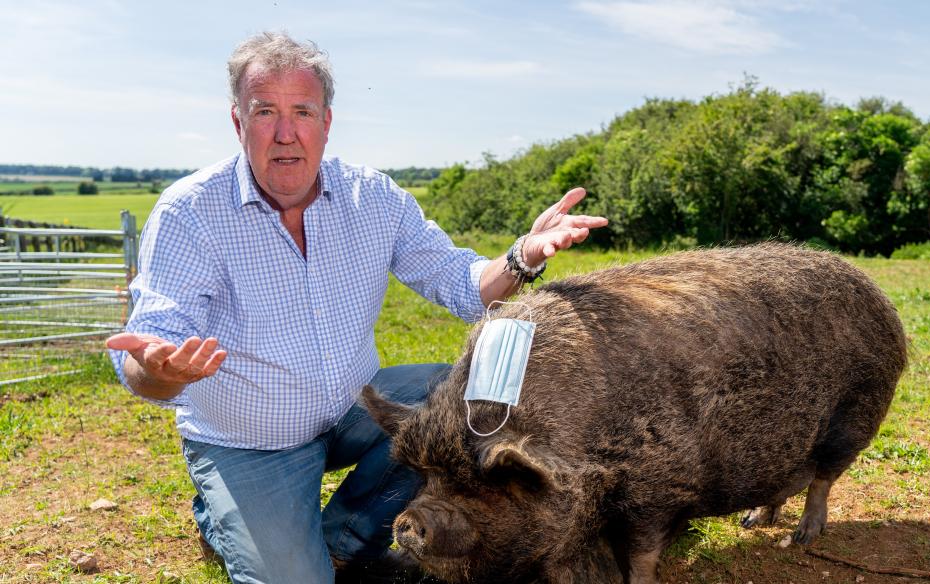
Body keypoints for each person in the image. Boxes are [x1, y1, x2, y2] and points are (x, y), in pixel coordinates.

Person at [105, 31, 607, 584]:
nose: (285, 132)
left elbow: (463, 286)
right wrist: (156, 369)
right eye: (265, 111)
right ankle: (223, 513)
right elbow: (148, 346)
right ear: (237, 122)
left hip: (351, 409)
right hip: (250, 442)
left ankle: (340, 537)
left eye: (302, 111)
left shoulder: (373, 199)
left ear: (327, 121)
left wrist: (522, 255)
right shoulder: (191, 213)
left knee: (460, 396)